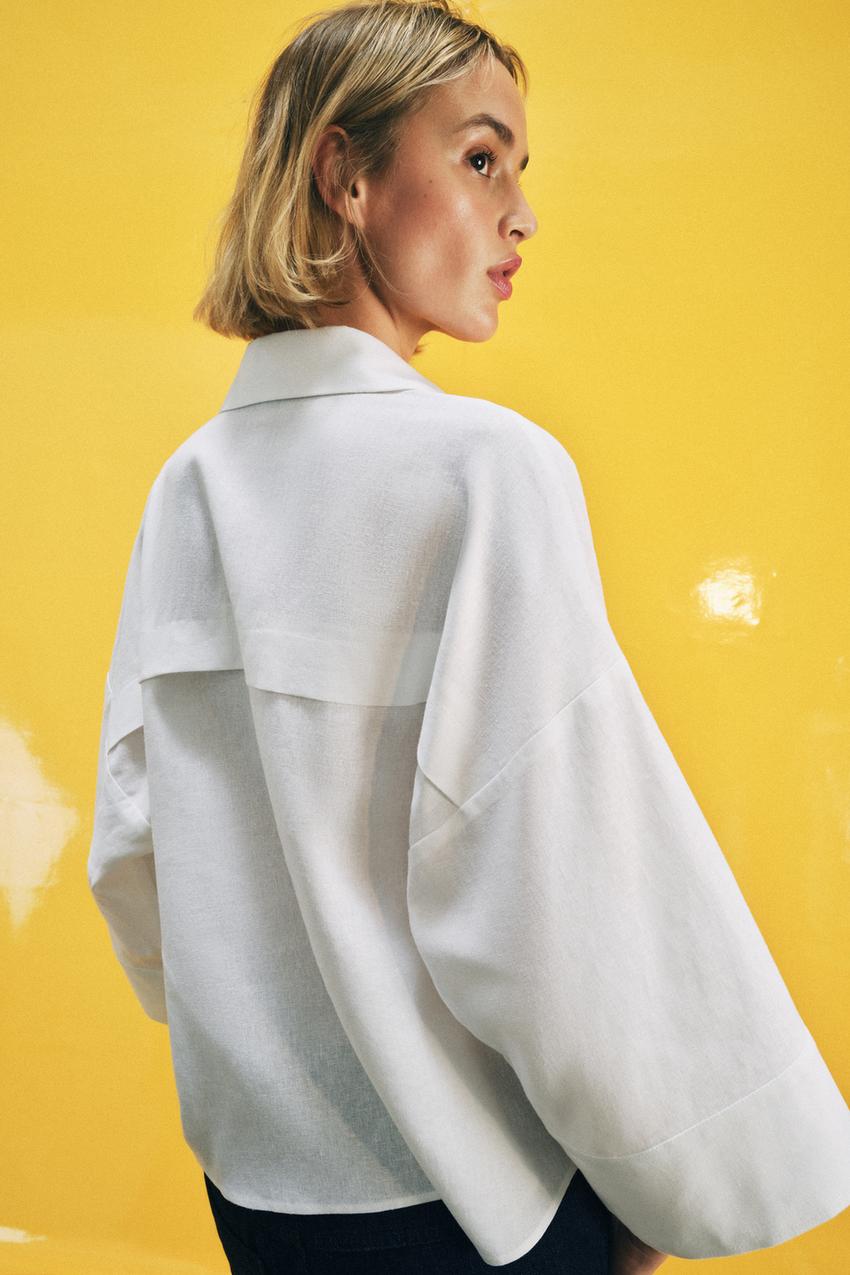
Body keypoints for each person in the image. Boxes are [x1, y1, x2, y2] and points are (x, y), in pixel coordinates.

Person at [87, 3, 850, 1273]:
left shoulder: (191, 486)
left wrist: (271, 1042)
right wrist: (657, 1193)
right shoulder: (485, 470)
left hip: (262, 1198)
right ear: (344, 174)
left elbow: (134, 849)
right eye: (481, 158)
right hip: (472, 1204)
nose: (521, 216)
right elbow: (561, 884)